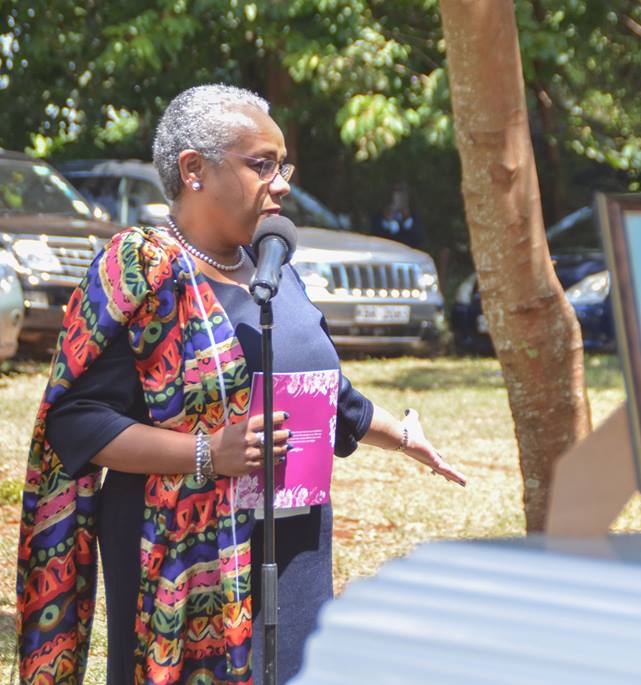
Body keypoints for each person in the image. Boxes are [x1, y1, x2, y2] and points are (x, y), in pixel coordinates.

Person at [15, 84, 466, 685]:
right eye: (263, 165)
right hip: (182, 556)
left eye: (284, 166)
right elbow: (77, 421)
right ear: (194, 169)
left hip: (297, 536)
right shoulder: (141, 269)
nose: (281, 183)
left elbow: (329, 396)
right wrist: (206, 453)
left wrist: (403, 436)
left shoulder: (273, 264)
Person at [370, 181, 424, 248]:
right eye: (396, 193)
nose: (399, 198)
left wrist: (407, 218)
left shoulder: (415, 217)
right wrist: (386, 219)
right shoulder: (379, 216)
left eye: (402, 194)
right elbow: (375, 236)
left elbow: (418, 239)